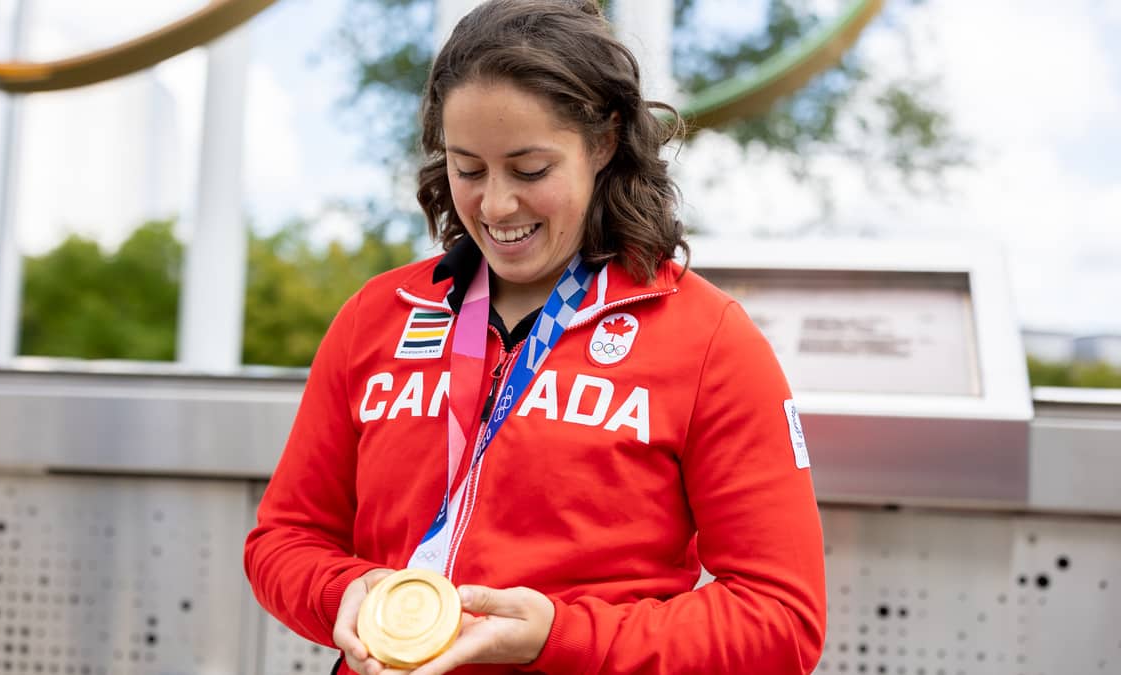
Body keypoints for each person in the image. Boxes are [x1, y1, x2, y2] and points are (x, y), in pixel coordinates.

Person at [244, 1, 826, 673]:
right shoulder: (379, 314)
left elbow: (782, 619)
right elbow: (283, 540)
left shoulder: (709, 339)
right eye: (468, 169)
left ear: (604, 143)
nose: (495, 205)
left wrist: (561, 635)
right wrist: (344, 591)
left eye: (529, 170)